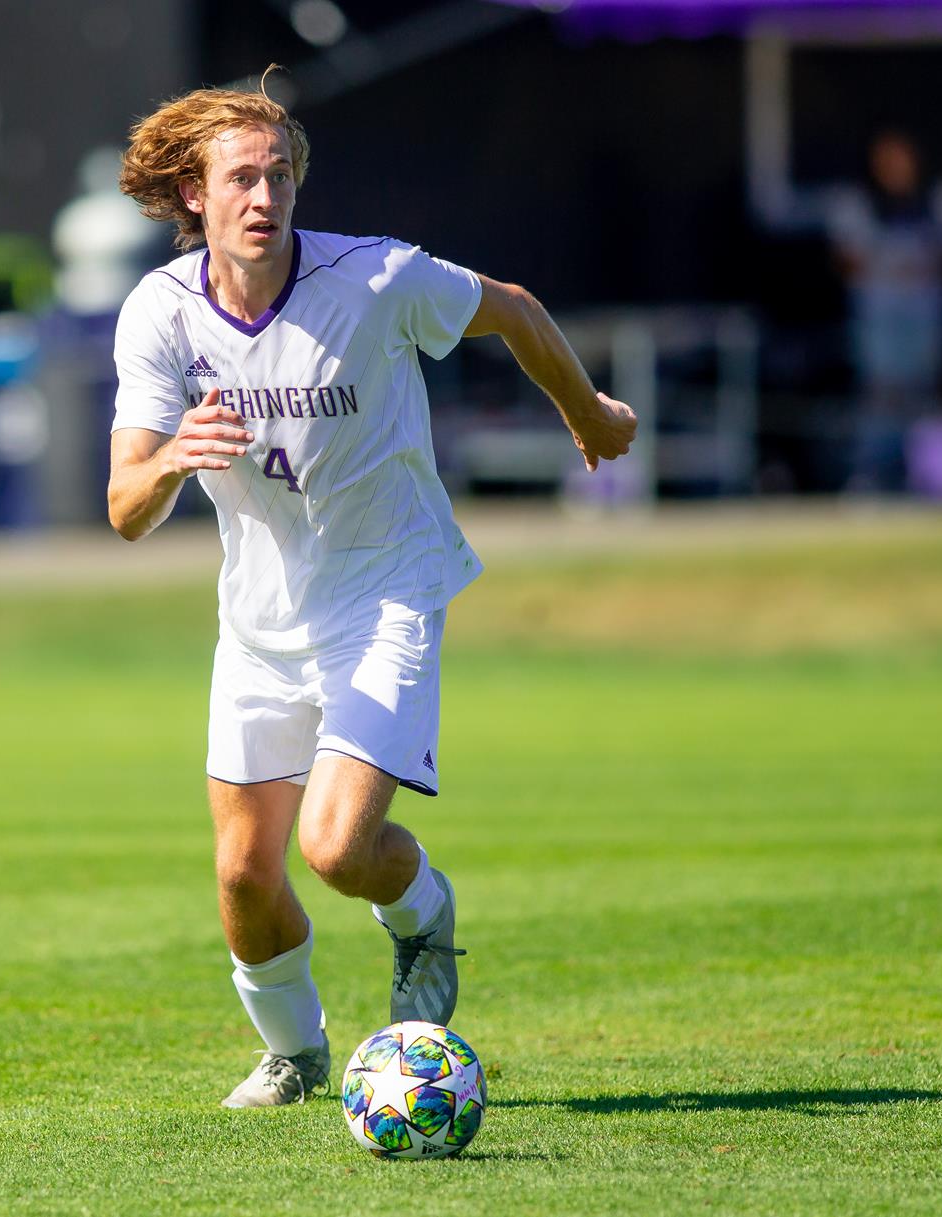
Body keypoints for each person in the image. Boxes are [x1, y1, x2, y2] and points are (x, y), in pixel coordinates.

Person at [106, 76, 637, 1108]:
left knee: (337, 845)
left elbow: (511, 308)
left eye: (279, 175)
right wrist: (173, 455)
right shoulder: (158, 315)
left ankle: (422, 915)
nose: (264, 196)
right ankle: (296, 1052)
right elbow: (126, 506)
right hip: (258, 625)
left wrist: (587, 414)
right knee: (243, 879)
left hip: (385, 589)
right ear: (193, 197)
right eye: (240, 179)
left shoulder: (375, 277)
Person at [828, 132, 942, 495]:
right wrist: (892, 267)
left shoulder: (929, 204)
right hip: (879, 321)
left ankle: (916, 476)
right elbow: (847, 261)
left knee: (919, 396)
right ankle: (873, 477)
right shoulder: (856, 204)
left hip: (923, 320)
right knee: (880, 397)